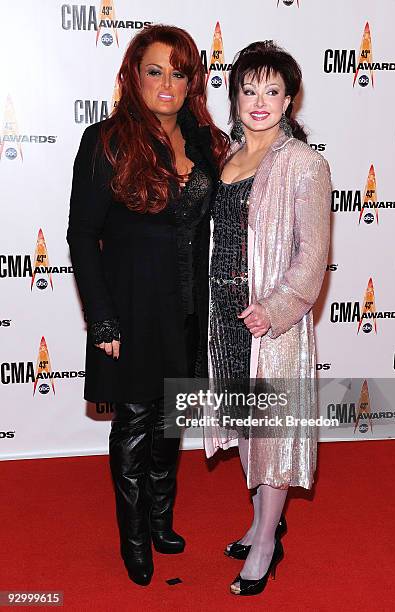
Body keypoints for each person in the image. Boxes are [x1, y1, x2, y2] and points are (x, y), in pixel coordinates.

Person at [67, 24, 228, 586]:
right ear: (134, 77)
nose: (167, 84)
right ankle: (134, 538)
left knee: (171, 422)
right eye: (155, 71)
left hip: (189, 307)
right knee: (135, 425)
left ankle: (161, 520)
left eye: (179, 73)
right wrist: (102, 316)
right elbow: (82, 235)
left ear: (192, 82)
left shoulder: (205, 141)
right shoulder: (105, 140)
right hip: (133, 307)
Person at [204, 40, 331, 596]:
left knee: (272, 434)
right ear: (234, 96)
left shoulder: (305, 164)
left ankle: (264, 542)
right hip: (225, 319)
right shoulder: (224, 160)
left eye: (271, 90)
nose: (260, 100)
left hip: (269, 325)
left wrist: (276, 310)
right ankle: (262, 521)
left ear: (288, 101)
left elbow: (312, 256)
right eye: (249, 89)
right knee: (248, 430)